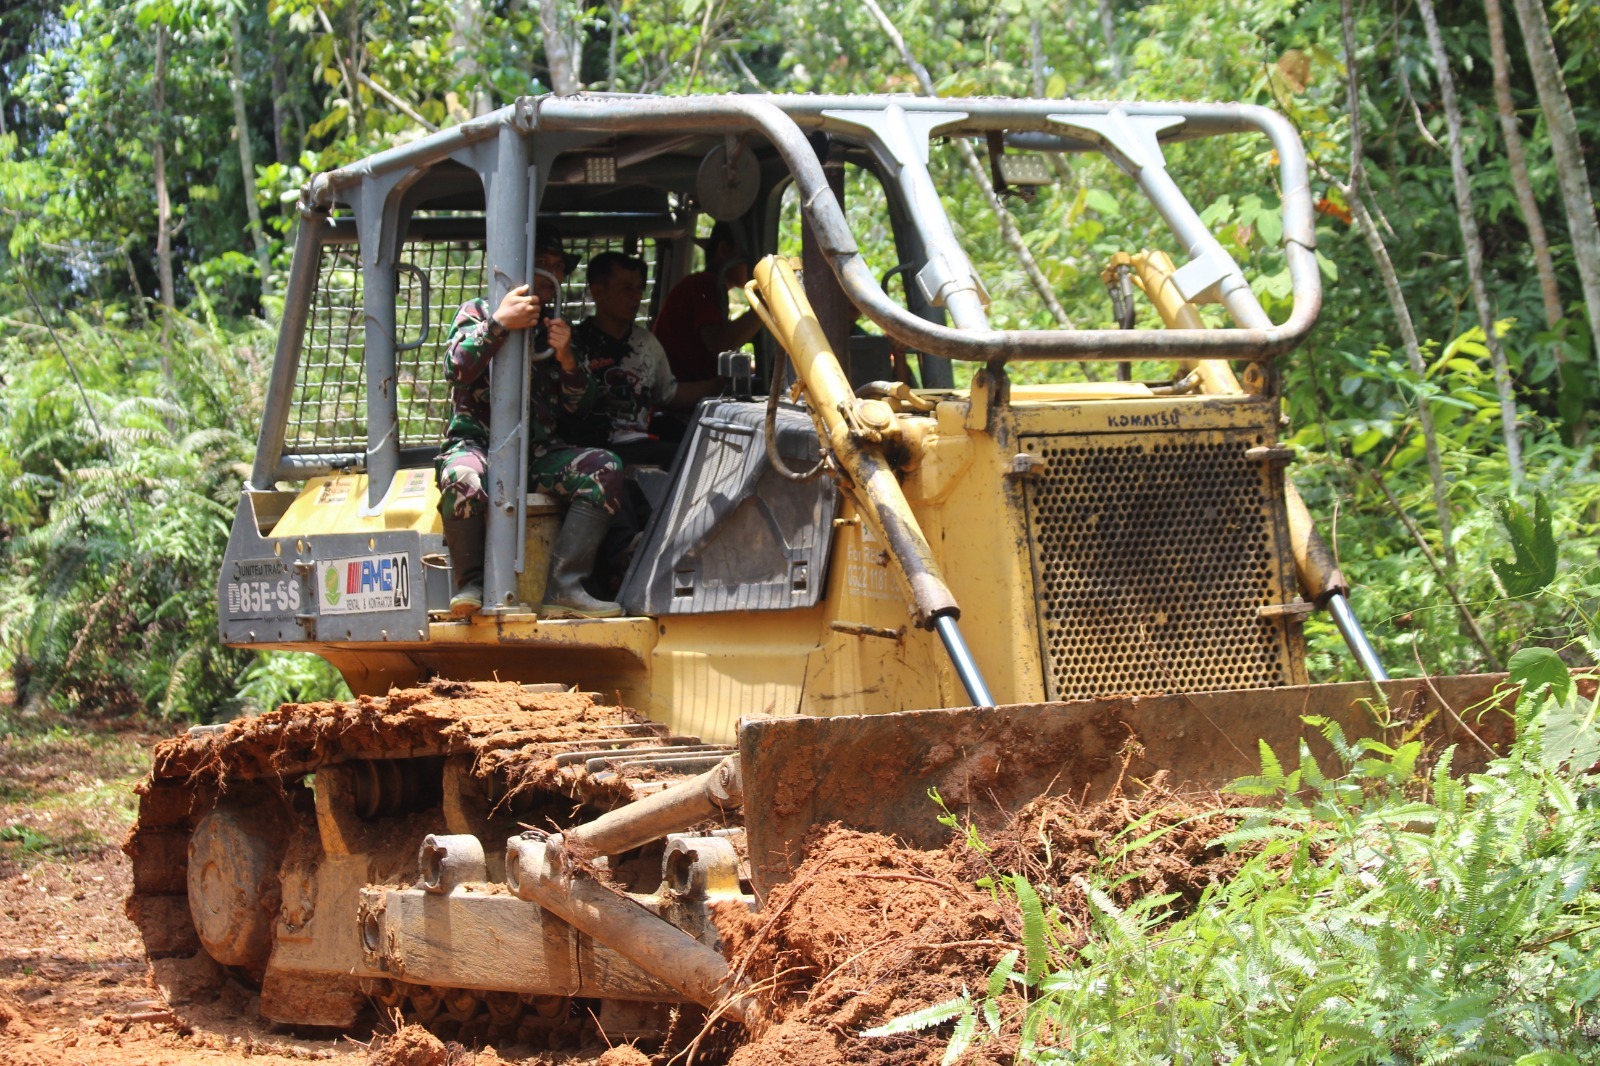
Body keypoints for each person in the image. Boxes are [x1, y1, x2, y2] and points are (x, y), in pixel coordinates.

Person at [435, 230, 624, 620]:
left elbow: (583, 406)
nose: (551, 275)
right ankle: (470, 583)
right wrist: (499, 325)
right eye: (545, 265)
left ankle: (565, 587)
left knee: (604, 468)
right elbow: (457, 368)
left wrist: (567, 358)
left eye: (558, 268)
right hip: (478, 446)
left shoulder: (553, 327)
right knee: (462, 475)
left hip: (536, 455)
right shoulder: (478, 311)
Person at [572, 250, 722, 467]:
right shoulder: (576, 343)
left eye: (639, 288)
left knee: (694, 458)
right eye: (626, 289)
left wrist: (720, 385)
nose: (636, 296)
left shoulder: (647, 343)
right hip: (590, 447)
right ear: (598, 292)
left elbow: (669, 393)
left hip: (639, 444)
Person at [652, 220, 764, 385]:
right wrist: (766, 305)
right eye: (750, 260)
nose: (757, 268)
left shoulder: (711, 288)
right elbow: (721, 345)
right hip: (678, 402)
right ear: (724, 251)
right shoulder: (702, 285)